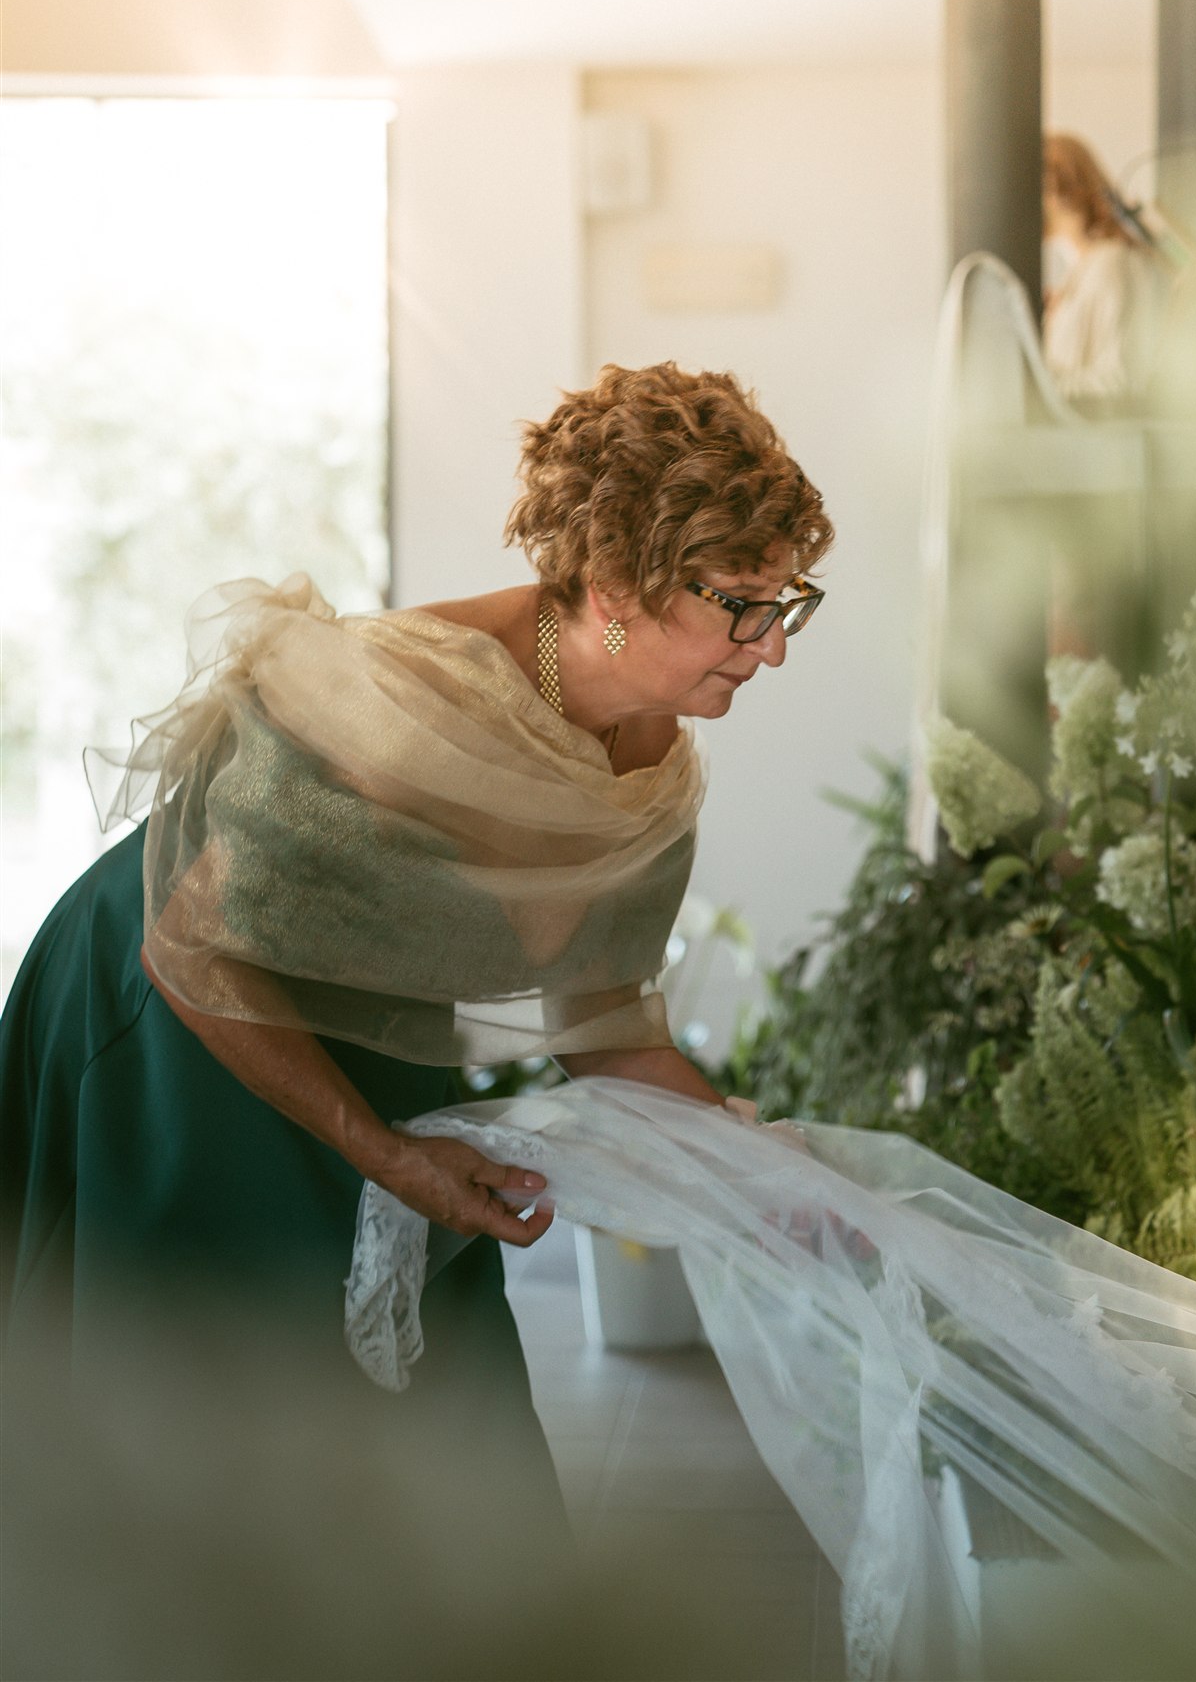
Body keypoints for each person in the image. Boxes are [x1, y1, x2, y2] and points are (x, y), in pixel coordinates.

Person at [0, 360, 833, 1682]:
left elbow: (603, 1022)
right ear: (614, 587)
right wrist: (383, 1152)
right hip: (176, 1010)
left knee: (448, 1400)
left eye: (787, 602)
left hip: (367, 1028)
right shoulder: (399, 709)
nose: (773, 644)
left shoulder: (652, 756)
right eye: (741, 604)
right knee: (222, 1421)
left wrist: (759, 1171)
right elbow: (190, 941)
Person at [1042, 131, 1164, 411]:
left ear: (1055, 190)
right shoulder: (1082, 270)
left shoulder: (1110, 264)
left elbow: (1118, 382)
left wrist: (1033, 385)